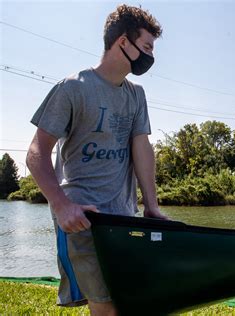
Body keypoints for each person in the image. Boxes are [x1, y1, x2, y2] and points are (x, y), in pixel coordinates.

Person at [26, 4, 167, 315]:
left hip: (125, 218)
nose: (150, 57)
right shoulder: (74, 87)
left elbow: (141, 148)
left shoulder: (136, 95)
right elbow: (36, 152)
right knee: (105, 307)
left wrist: (151, 205)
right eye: (146, 47)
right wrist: (62, 206)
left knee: (129, 302)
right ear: (123, 42)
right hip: (84, 216)